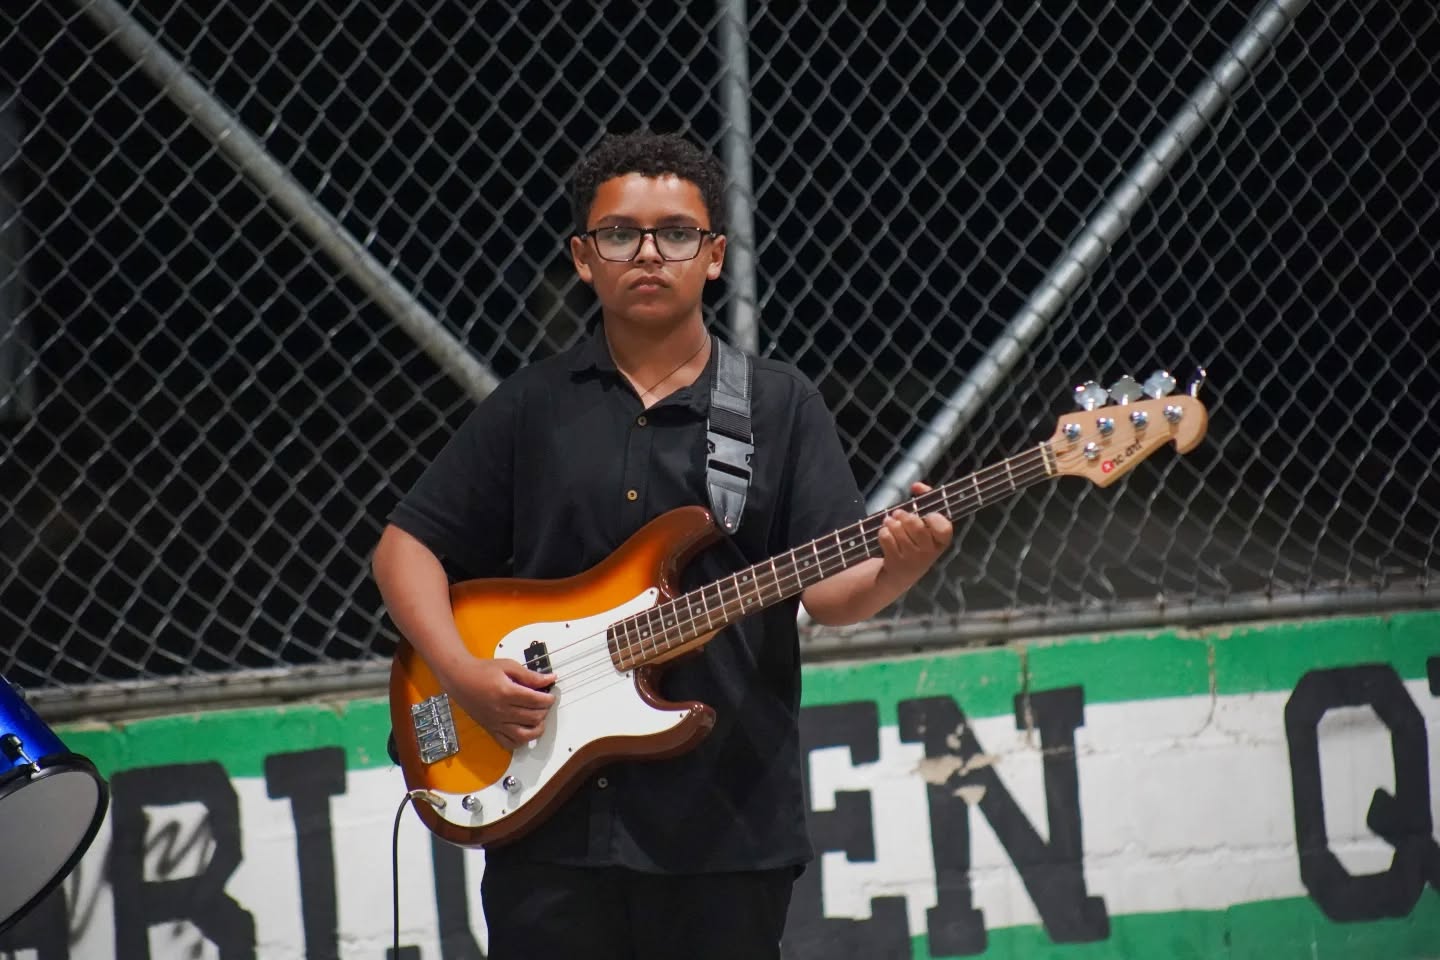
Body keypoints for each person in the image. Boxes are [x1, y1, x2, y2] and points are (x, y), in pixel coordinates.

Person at [371, 130, 953, 959]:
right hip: (549, 829)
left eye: (676, 233)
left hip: (724, 829)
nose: (648, 253)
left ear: (713, 256)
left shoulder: (779, 406)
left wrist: (902, 564)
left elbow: (832, 596)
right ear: (583, 259)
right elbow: (404, 549)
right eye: (620, 234)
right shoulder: (532, 406)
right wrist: (463, 674)